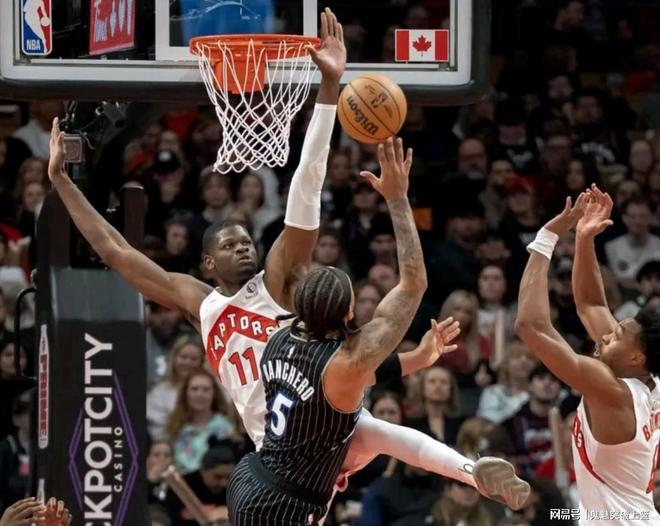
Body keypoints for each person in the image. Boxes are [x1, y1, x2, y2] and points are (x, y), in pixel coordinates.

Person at [48, 9, 528, 517]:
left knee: (379, 431)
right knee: (375, 432)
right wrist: (62, 182)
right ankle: (468, 469)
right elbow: (117, 252)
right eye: (229, 245)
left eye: (246, 241)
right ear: (207, 263)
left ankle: (471, 470)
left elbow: (307, 186)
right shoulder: (198, 302)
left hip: (306, 442)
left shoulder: (275, 282)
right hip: (279, 453)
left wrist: (328, 91)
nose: (243, 248)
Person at [515, 186, 660, 523]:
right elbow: (592, 305)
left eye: (617, 335)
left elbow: (530, 326)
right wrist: (584, 238)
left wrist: (546, 238)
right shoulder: (646, 377)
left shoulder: (612, 390)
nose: (607, 334)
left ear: (636, 357)